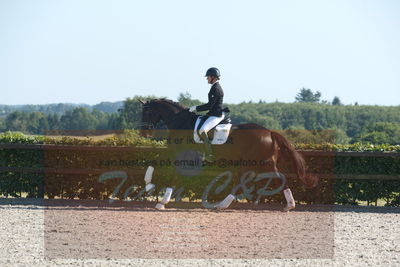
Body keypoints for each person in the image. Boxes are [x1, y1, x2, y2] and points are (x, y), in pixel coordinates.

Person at [189, 67, 226, 160]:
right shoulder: (214, 87)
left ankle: (209, 155)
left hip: (216, 115)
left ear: (213, 77)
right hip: (213, 113)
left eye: (208, 77)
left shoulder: (216, 88)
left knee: (202, 130)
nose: (207, 78)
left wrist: (196, 108)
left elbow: (209, 105)